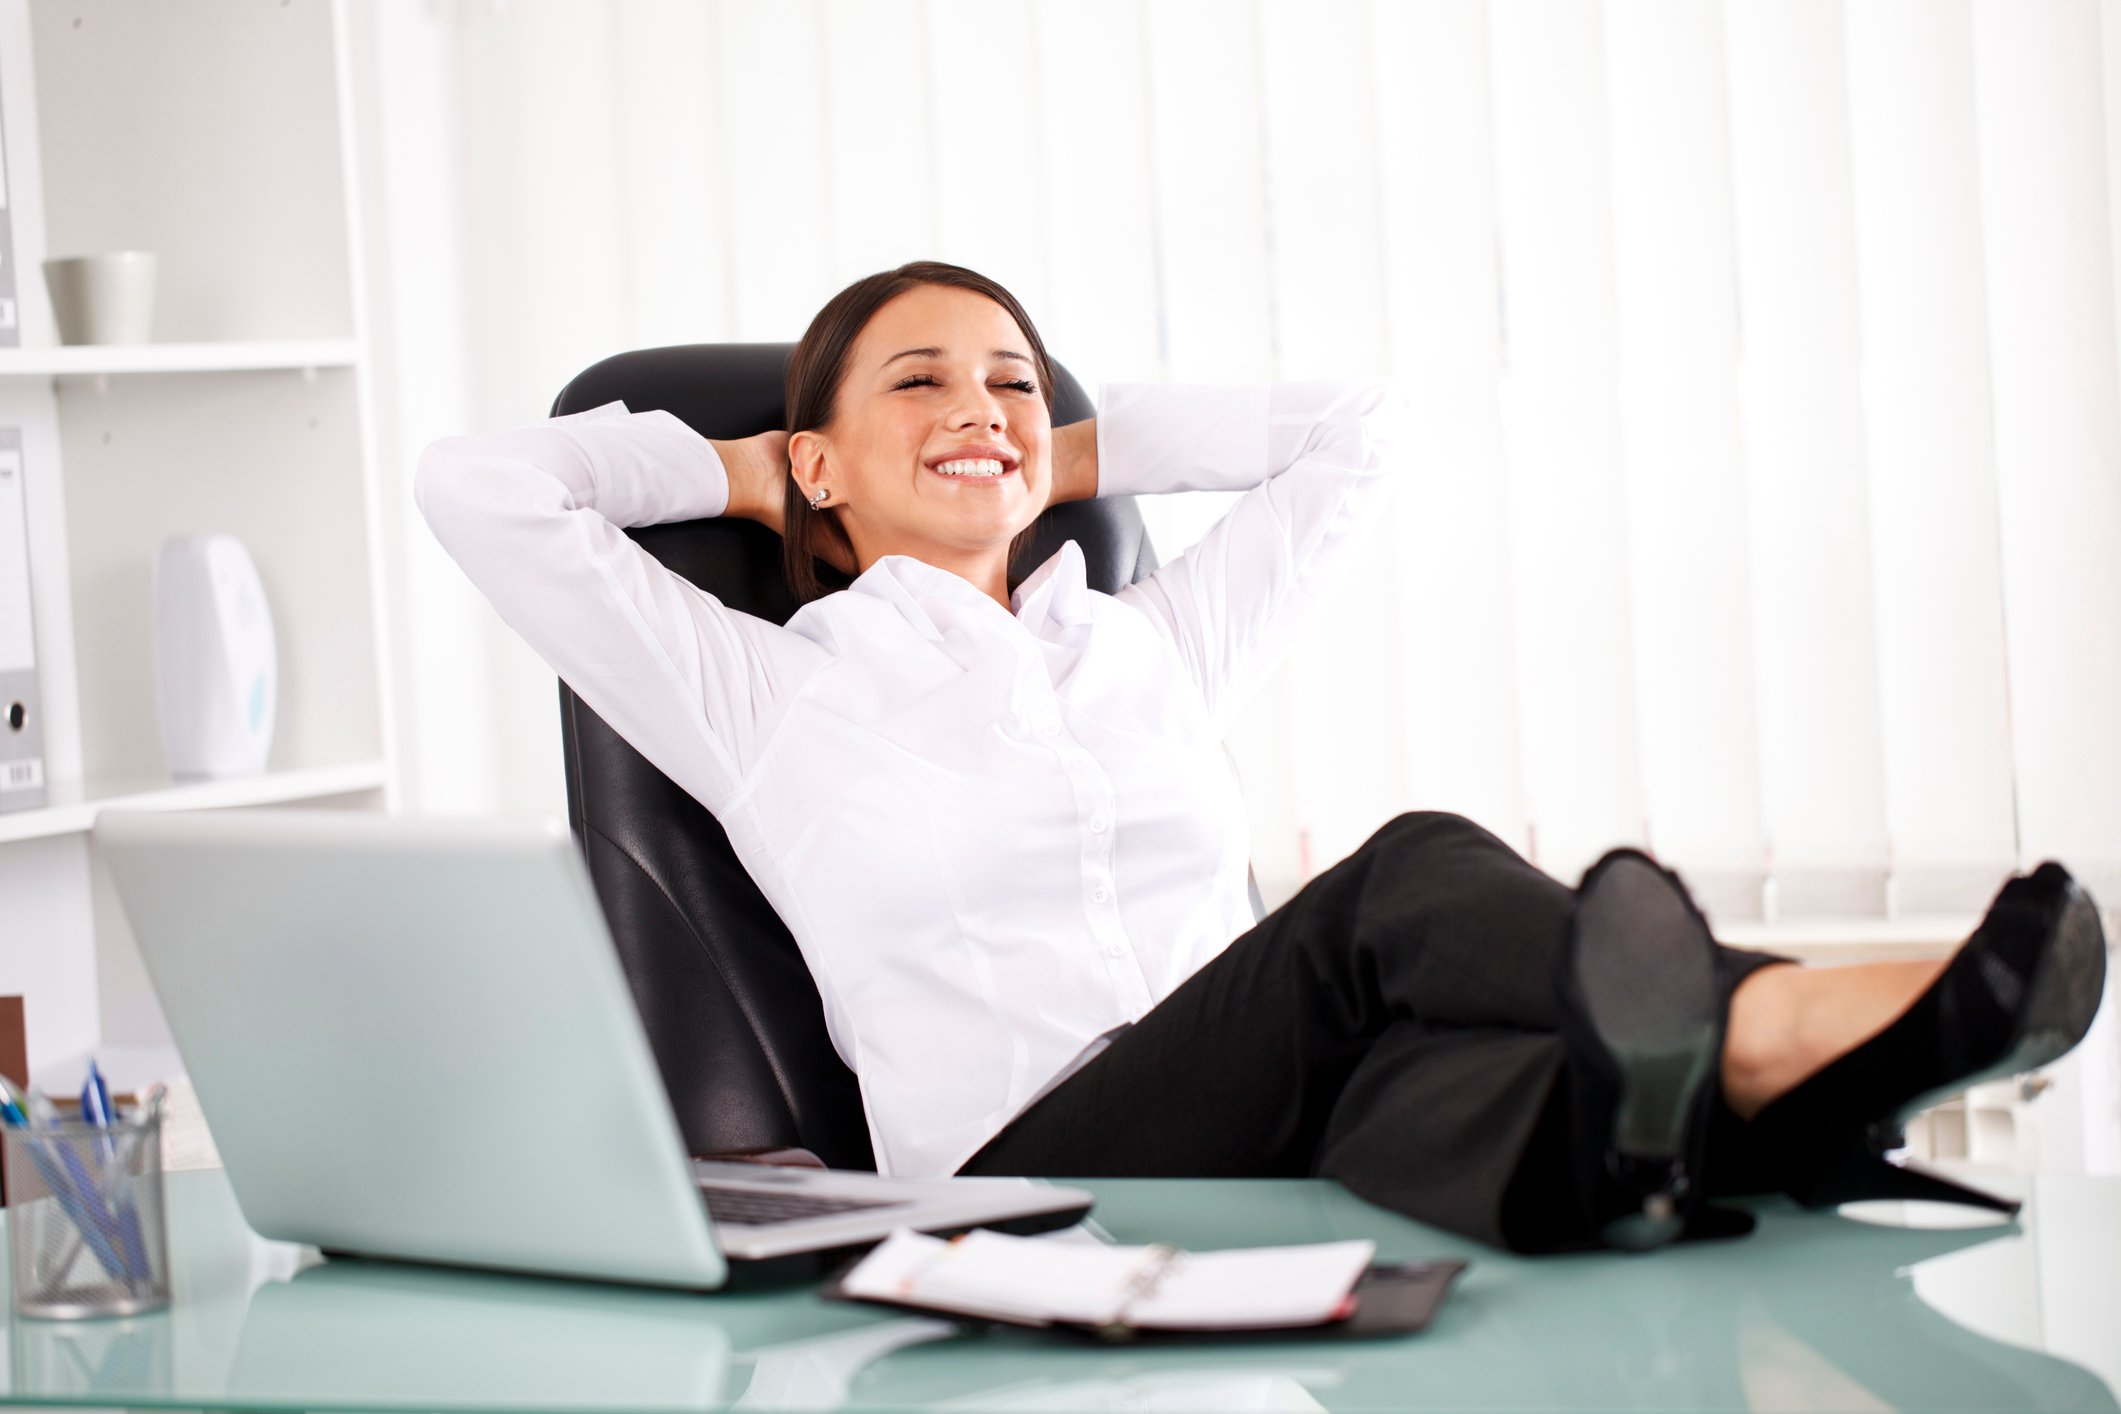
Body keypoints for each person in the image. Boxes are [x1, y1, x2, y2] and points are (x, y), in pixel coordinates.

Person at [415, 259, 2109, 1254]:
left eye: (1009, 378)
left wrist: (1047, 443)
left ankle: (1803, 1088)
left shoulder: (1138, 636)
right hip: (1023, 1187)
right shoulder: (764, 687)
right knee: (1394, 884)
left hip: (1259, 1131)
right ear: (816, 463)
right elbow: (479, 489)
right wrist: (752, 474)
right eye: (918, 381)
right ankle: (1796, 1010)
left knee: (1512, 1093)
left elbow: (1346, 435)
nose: (982, 403)